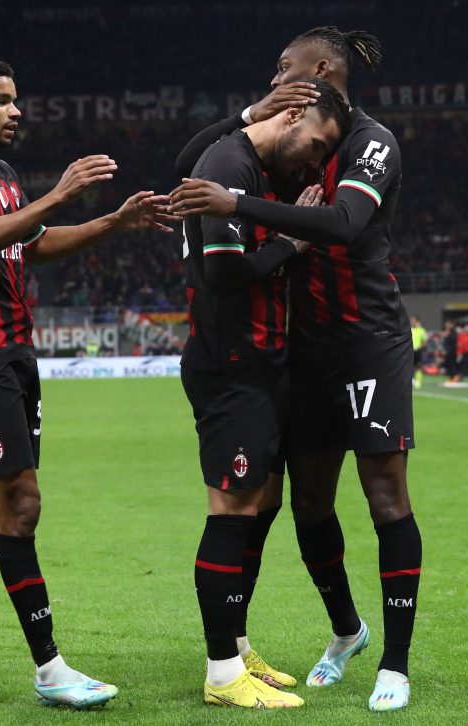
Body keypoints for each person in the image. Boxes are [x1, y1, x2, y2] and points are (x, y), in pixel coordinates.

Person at [0, 57, 173, 709]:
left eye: (15, 99)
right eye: (2, 100)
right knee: (21, 505)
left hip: (15, 354)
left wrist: (112, 222)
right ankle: (50, 670)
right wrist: (58, 194)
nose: (16, 110)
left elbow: (33, 244)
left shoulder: (2, 173)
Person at [171, 27, 420, 712]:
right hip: (302, 347)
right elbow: (195, 164)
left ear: (321, 71)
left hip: (366, 342)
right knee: (305, 502)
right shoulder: (287, 139)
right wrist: (249, 115)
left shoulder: (369, 142)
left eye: (286, 67)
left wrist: (237, 205)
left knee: (385, 496)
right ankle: (346, 632)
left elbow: (341, 223)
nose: (275, 76)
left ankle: (395, 664)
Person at [181, 78, 350, 709]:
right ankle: (222, 674)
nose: (316, 161)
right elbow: (224, 273)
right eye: (317, 145)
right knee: (231, 510)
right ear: (293, 114)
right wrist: (290, 244)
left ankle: (237, 646)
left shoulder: (253, 166)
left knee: (255, 507)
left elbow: (184, 159)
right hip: (231, 364)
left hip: (261, 363)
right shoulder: (229, 166)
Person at [410, 316, 426, 389]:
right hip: (409, 351)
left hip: (417, 351)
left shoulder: (422, 330)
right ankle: (411, 382)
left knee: (418, 367)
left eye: (413, 320)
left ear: (417, 321)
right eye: (411, 320)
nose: (412, 322)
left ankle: (418, 383)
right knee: (408, 368)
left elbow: (424, 342)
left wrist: (419, 347)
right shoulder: (408, 329)